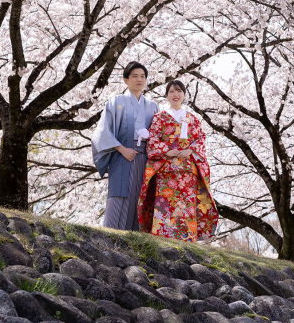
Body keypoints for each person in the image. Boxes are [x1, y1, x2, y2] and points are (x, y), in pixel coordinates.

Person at [138, 79, 218, 240]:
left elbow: (200, 140)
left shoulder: (193, 119)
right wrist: (168, 151)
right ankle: (162, 238)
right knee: (165, 204)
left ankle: (188, 238)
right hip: (166, 170)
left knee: (187, 206)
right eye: (172, 91)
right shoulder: (159, 117)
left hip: (188, 172)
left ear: (184, 94)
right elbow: (153, 140)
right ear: (167, 95)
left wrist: (190, 150)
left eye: (179, 91)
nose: (176, 94)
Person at [91, 62, 159, 231]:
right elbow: (103, 131)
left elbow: (160, 134)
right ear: (125, 80)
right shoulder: (116, 101)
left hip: (145, 157)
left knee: (141, 197)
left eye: (142, 76)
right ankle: (111, 235)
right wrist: (122, 149)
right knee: (119, 195)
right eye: (135, 76)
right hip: (121, 154)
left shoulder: (153, 106)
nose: (139, 79)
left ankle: (137, 240)